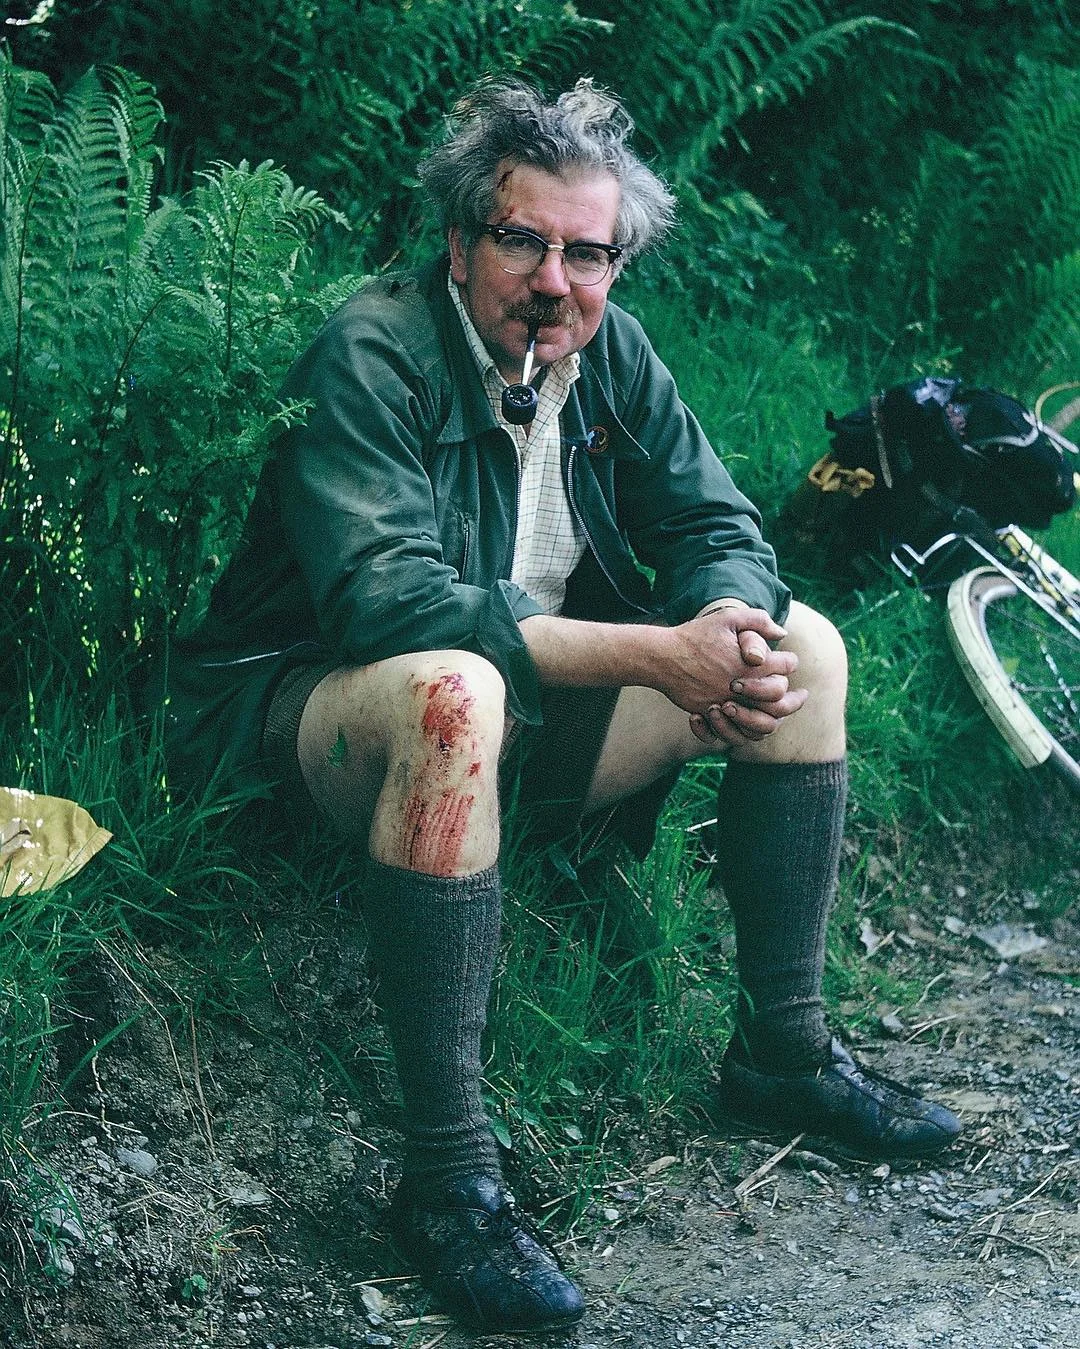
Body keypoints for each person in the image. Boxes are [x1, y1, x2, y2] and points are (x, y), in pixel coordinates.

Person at [155, 77, 961, 1336]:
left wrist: (730, 632)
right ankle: (450, 1179)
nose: (555, 281)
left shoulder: (609, 353)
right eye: (525, 242)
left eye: (589, 254)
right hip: (302, 725)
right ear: (463, 239)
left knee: (808, 647)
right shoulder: (373, 349)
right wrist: (655, 651)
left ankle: (784, 1053)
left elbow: (717, 523)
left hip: (513, 729)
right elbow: (389, 606)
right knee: (453, 688)